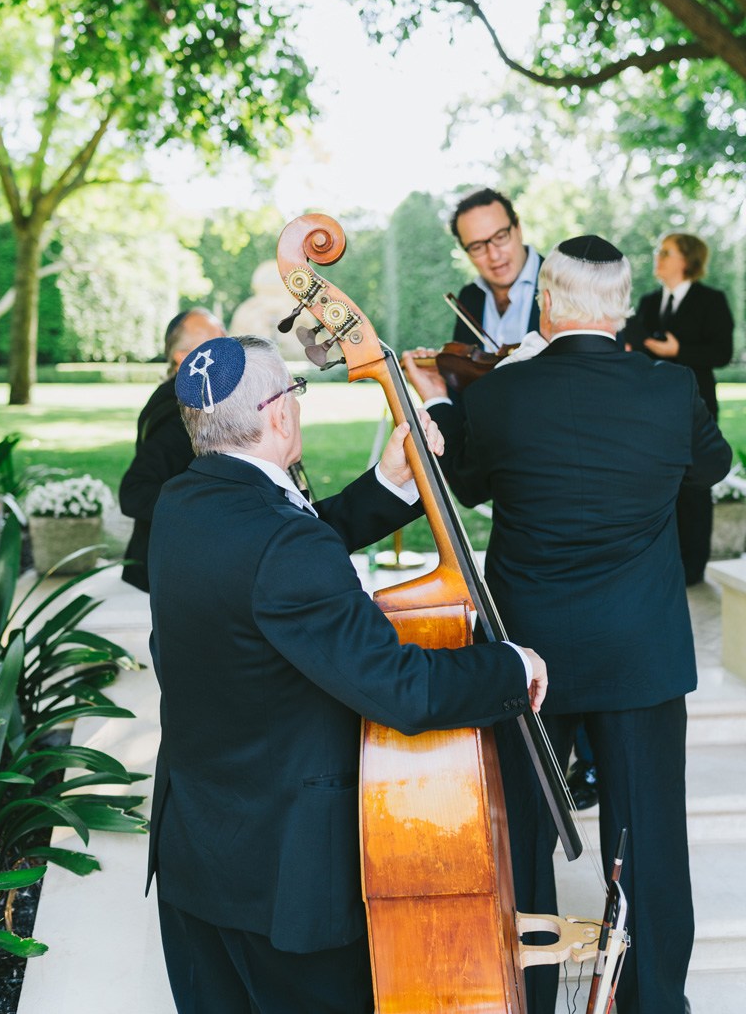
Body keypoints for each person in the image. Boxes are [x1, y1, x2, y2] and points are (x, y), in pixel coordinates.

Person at [146, 334, 548, 1014]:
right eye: (294, 394)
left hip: (200, 857)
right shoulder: (282, 543)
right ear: (279, 416)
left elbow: (281, 563)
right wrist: (510, 664)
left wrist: (390, 483)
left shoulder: (183, 505)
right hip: (286, 881)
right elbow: (401, 689)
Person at [403, 235, 732, 1014]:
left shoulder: (500, 396)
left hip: (528, 659)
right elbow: (711, 466)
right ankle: (655, 1002)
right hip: (642, 651)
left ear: (547, 301)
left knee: (521, 843)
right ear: (621, 307)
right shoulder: (670, 388)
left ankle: (526, 999)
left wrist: (450, 399)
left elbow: (468, 484)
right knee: (649, 837)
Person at [625, 232, 734, 586]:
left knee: (695, 485)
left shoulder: (712, 301)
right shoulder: (648, 300)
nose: (657, 256)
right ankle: (662, 562)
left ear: (686, 259)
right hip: (650, 406)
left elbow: (721, 353)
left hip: (695, 404)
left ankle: (693, 568)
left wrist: (677, 352)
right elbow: (639, 347)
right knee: (656, 482)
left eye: (665, 251)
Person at [119, 307, 225, 591]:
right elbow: (134, 492)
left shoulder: (195, 398)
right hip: (178, 569)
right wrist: (211, 509)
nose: (228, 348)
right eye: (215, 341)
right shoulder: (178, 413)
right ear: (183, 357)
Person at [448, 187, 542, 349]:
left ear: (518, 228)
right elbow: (465, 373)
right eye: (477, 247)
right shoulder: (468, 298)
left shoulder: (563, 283)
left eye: (500, 237)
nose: (494, 256)